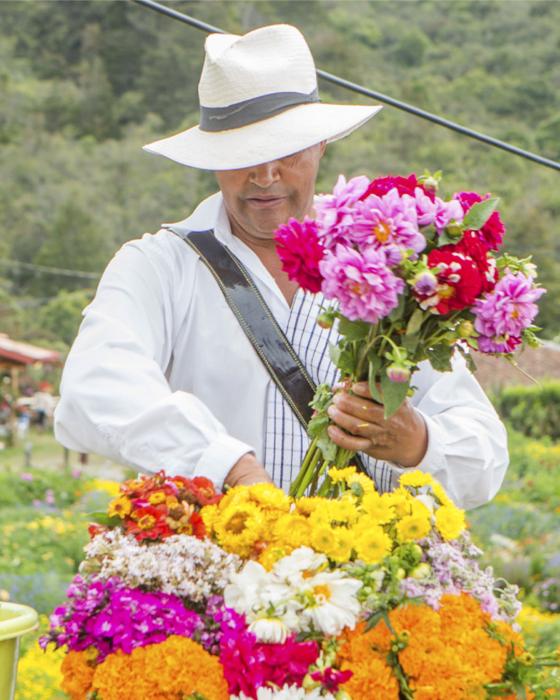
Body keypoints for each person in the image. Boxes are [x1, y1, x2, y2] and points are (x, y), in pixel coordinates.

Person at [55, 24, 508, 509]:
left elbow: (484, 452)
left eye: (285, 152)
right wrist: (225, 466)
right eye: (241, 155)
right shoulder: (159, 267)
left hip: (363, 572)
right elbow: (95, 387)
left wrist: (418, 442)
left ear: (321, 145)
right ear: (212, 159)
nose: (265, 176)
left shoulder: (394, 268)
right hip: (213, 570)